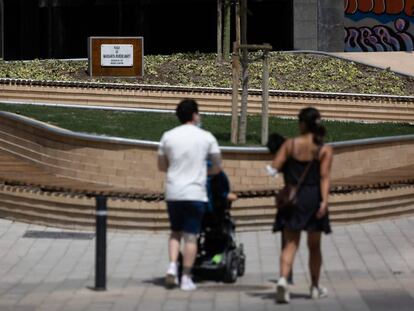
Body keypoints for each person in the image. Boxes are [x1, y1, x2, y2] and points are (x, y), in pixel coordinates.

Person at [269, 107, 333, 303]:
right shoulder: (324, 149)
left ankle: (282, 280)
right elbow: (324, 177)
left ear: (302, 124)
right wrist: (324, 202)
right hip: (313, 198)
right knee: (314, 246)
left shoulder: (290, 145)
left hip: (293, 198)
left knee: (290, 244)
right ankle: (314, 287)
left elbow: (274, 168)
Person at [158, 99, 222, 291]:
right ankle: (186, 277)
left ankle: (171, 266)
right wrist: (204, 172)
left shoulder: (168, 136)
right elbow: (217, 167)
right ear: (194, 115)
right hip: (195, 193)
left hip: (174, 192)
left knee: (175, 232)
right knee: (191, 237)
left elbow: (161, 166)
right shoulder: (206, 137)